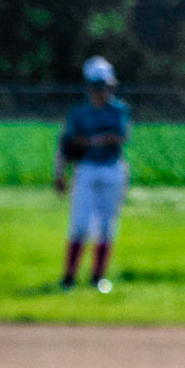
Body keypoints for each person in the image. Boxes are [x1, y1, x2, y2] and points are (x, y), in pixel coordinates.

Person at [54, 56, 132, 292]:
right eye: (98, 86)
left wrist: (90, 140)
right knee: (79, 224)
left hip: (112, 169)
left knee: (107, 226)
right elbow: (67, 144)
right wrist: (60, 173)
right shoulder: (79, 113)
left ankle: (98, 277)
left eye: (105, 86)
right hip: (86, 170)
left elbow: (120, 136)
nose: (102, 91)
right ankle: (69, 277)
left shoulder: (119, 110)